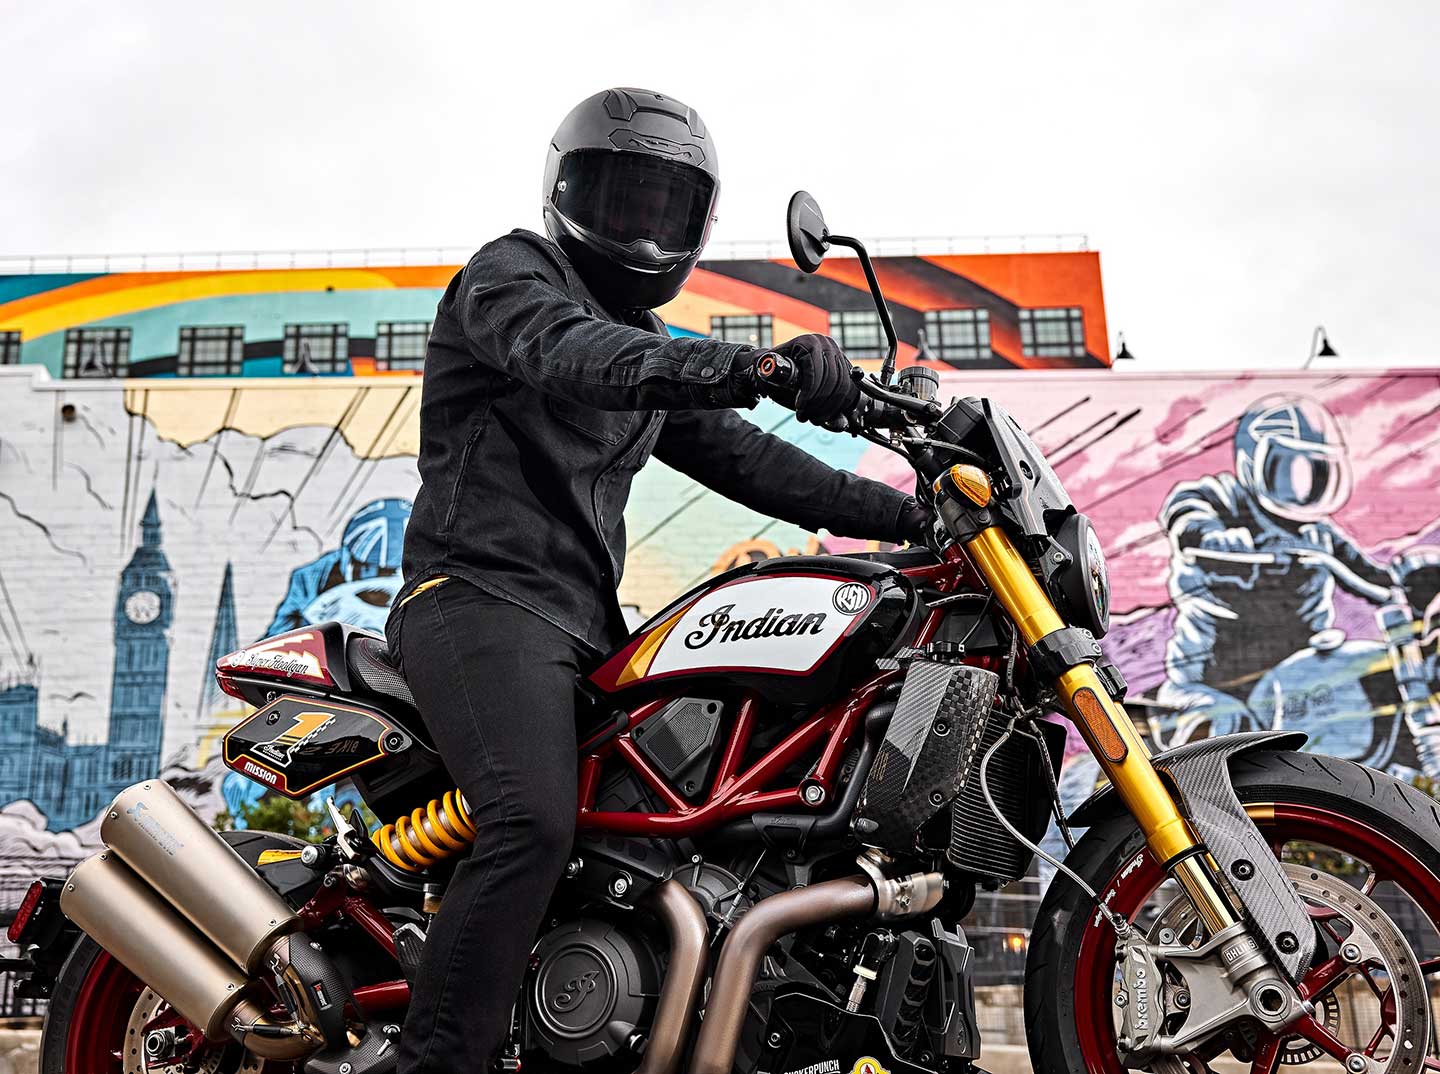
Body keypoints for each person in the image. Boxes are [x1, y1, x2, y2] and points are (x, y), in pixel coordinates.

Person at [383, 87, 926, 1074]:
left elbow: (758, 466)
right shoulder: (512, 276)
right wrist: (757, 366)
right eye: (621, 200)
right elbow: (580, 355)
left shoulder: (646, 354)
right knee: (529, 818)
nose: (639, 230)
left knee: (689, 825)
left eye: (662, 210)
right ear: (566, 191)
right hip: (476, 601)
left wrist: (914, 514)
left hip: (587, 631)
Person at [1156, 394, 1395, 744]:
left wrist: (1408, 581)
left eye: (1316, 471)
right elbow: (1185, 510)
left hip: (1297, 677)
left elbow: (1370, 575)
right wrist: (1213, 539)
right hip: (1210, 681)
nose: (1303, 487)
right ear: (1253, 462)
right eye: (1288, 469)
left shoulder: (1318, 533)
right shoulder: (1223, 499)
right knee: (1223, 727)